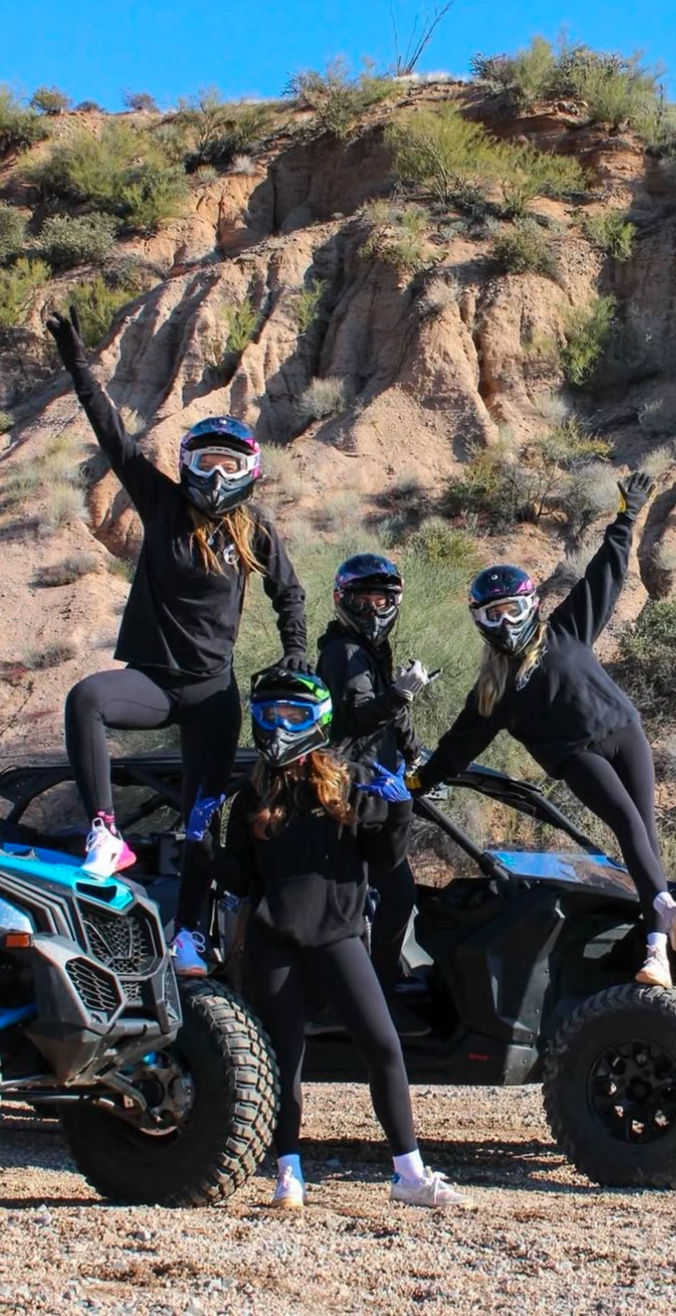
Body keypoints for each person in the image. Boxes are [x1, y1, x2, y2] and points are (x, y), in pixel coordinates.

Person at [45, 307, 307, 978]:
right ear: (187, 464)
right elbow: (113, 436)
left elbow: (291, 594)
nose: (215, 476)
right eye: (204, 460)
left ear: (247, 472)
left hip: (213, 696)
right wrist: (78, 363)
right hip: (156, 683)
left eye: (228, 463)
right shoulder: (162, 505)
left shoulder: (256, 531)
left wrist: (294, 651)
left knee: (200, 824)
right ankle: (106, 832)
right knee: (87, 699)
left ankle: (190, 936)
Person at [407, 472, 676, 990]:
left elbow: (603, 577)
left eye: (511, 608)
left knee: (645, 837)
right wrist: (420, 782)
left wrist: (626, 517)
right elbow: (458, 744)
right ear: (480, 621)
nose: (503, 621)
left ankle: (657, 951)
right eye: (492, 613)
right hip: (575, 757)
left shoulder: (564, 628)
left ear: (531, 606)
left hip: (624, 731)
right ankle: (665, 913)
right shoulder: (491, 691)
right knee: (629, 824)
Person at [220, 666, 472, 1211]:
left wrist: (398, 807)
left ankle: (408, 1172)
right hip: (273, 942)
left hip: (337, 937)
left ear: (318, 721)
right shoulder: (253, 793)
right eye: (270, 714)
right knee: (283, 1059)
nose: (280, 725)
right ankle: (287, 1173)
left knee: (382, 1047)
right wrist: (199, 843)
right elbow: (238, 880)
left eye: (294, 715)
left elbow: (384, 861)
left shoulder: (349, 778)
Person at [315, 554, 432, 1017]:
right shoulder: (343, 652)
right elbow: (359, 718)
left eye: (382, 599)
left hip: (373, 791)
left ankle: (373, 984)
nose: (373, 608)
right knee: (380, 894)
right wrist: (397, 695)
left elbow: (391, 720)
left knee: (384, 893)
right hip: (351, 792)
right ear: (344, 602)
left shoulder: (368, 650)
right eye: (363, 600)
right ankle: (368, 990)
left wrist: (415, 752)